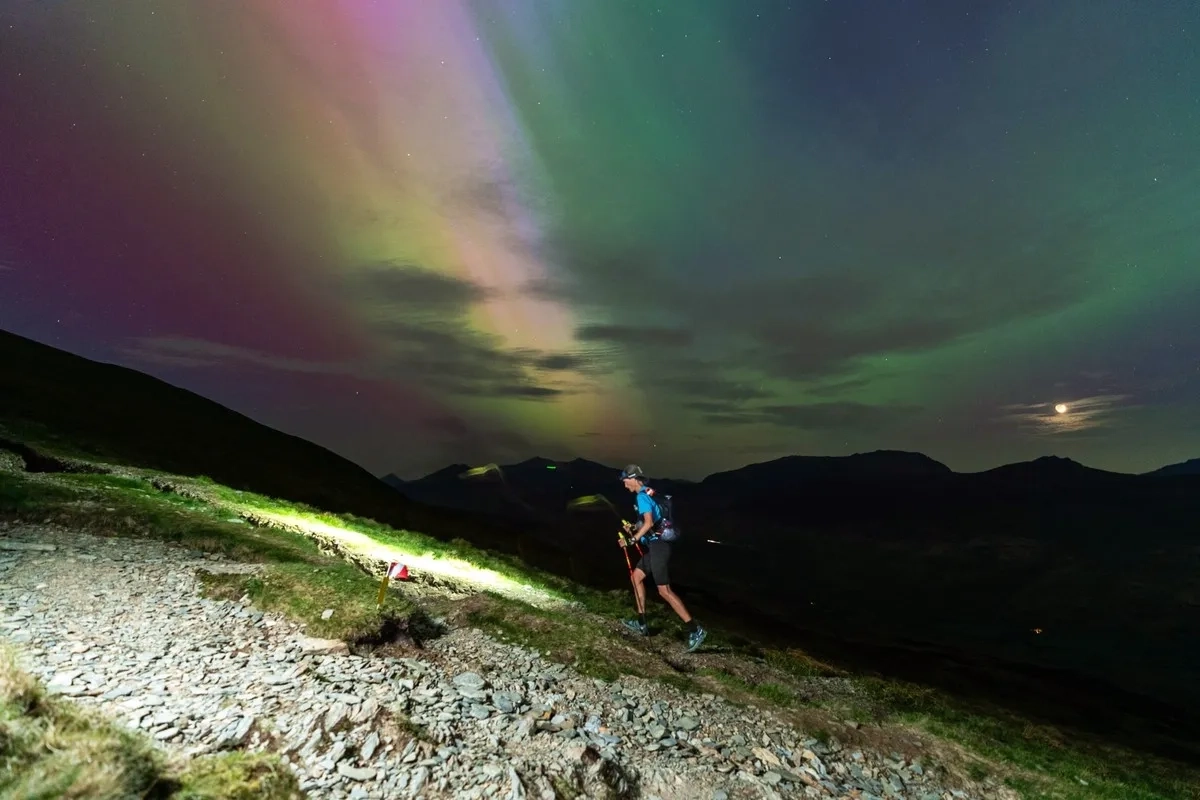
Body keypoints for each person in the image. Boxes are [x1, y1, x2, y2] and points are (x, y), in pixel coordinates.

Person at [618, 464, 707, 652]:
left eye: (625, 481)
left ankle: (695, 629)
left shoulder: (641, 497)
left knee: (664, 591)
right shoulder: (649, 494)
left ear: (634, 479)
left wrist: (631, 540)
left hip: (659, 547)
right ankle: (642, 622)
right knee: (636, 578)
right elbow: (650, 523)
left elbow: (649, 522)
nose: (624, 485)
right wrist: (634, 528)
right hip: (656, 545)